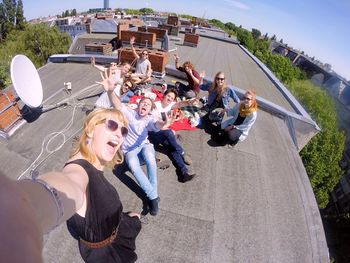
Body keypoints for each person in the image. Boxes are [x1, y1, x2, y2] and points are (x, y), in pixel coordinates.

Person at [0, 108, 141, 262]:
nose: (119, 134)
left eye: (124, 130)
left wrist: (127, 218)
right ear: (90, 129)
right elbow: (67, 187)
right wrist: (21, 212)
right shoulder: (78, 171)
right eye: (112, 125)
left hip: (120, 230)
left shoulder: (92, 162)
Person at [97, 70, 173, 216]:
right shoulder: (130, 113)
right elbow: (117, 104)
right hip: (129, 150)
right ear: (138, 105)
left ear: (150, 110)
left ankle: (152, 197)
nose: (145, 105)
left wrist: (164, 123)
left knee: (151, 160)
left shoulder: (149, 119)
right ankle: (153, 197)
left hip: (144, 145)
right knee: (132, 165)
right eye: (143, 103)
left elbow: (157, 124)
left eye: (148, 105)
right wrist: (111, 90)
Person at [149, 88, 196, 183]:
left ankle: (184, 173)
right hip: (152, 134)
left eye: (172, 98)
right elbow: (156, 126)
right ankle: (182, 152)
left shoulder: (169, 105)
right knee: (169, 133)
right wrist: (169, 126)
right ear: (164, 95)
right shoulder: (155, 106)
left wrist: (190, 102)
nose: (170, 99)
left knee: (172, 149)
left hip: (162, 133)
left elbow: (180, 104)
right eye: (168, 96)